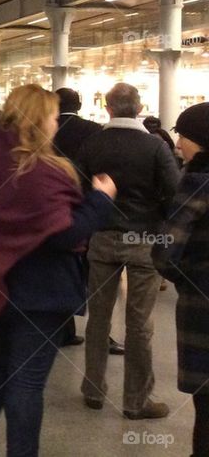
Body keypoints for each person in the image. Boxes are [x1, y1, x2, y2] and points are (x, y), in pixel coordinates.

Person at [0, 84, 116, 457]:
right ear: (41, 118)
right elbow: (64, 233)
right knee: (26, 383)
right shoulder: (40, 168)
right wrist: (100, 200)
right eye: (54, 117)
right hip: (41, 292)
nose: (57, 125)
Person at [78, 82, 182, 419]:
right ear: (139, 108)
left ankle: (93, 389)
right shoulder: (154, 147)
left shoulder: (92, 143)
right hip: (144, 241)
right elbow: (174, 193)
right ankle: (136, 401)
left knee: (99, 317)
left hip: (102, 237)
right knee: (140, 324)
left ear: (107, 108)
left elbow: (79, 189)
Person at [152, 103, 209, 457]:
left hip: (202, 305)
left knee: (206, 404)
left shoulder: (197, 181)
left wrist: (184, 277)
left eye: (182, 135)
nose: (178, 143)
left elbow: (165, 252)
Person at [52, 87, 121, 353]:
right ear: (80, 104)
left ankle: (62, 329)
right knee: (94, 274)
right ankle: (102, 333)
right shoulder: (94, 130)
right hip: (89, 205)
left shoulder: (47, 128)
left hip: (55, 205)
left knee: (62, 264)